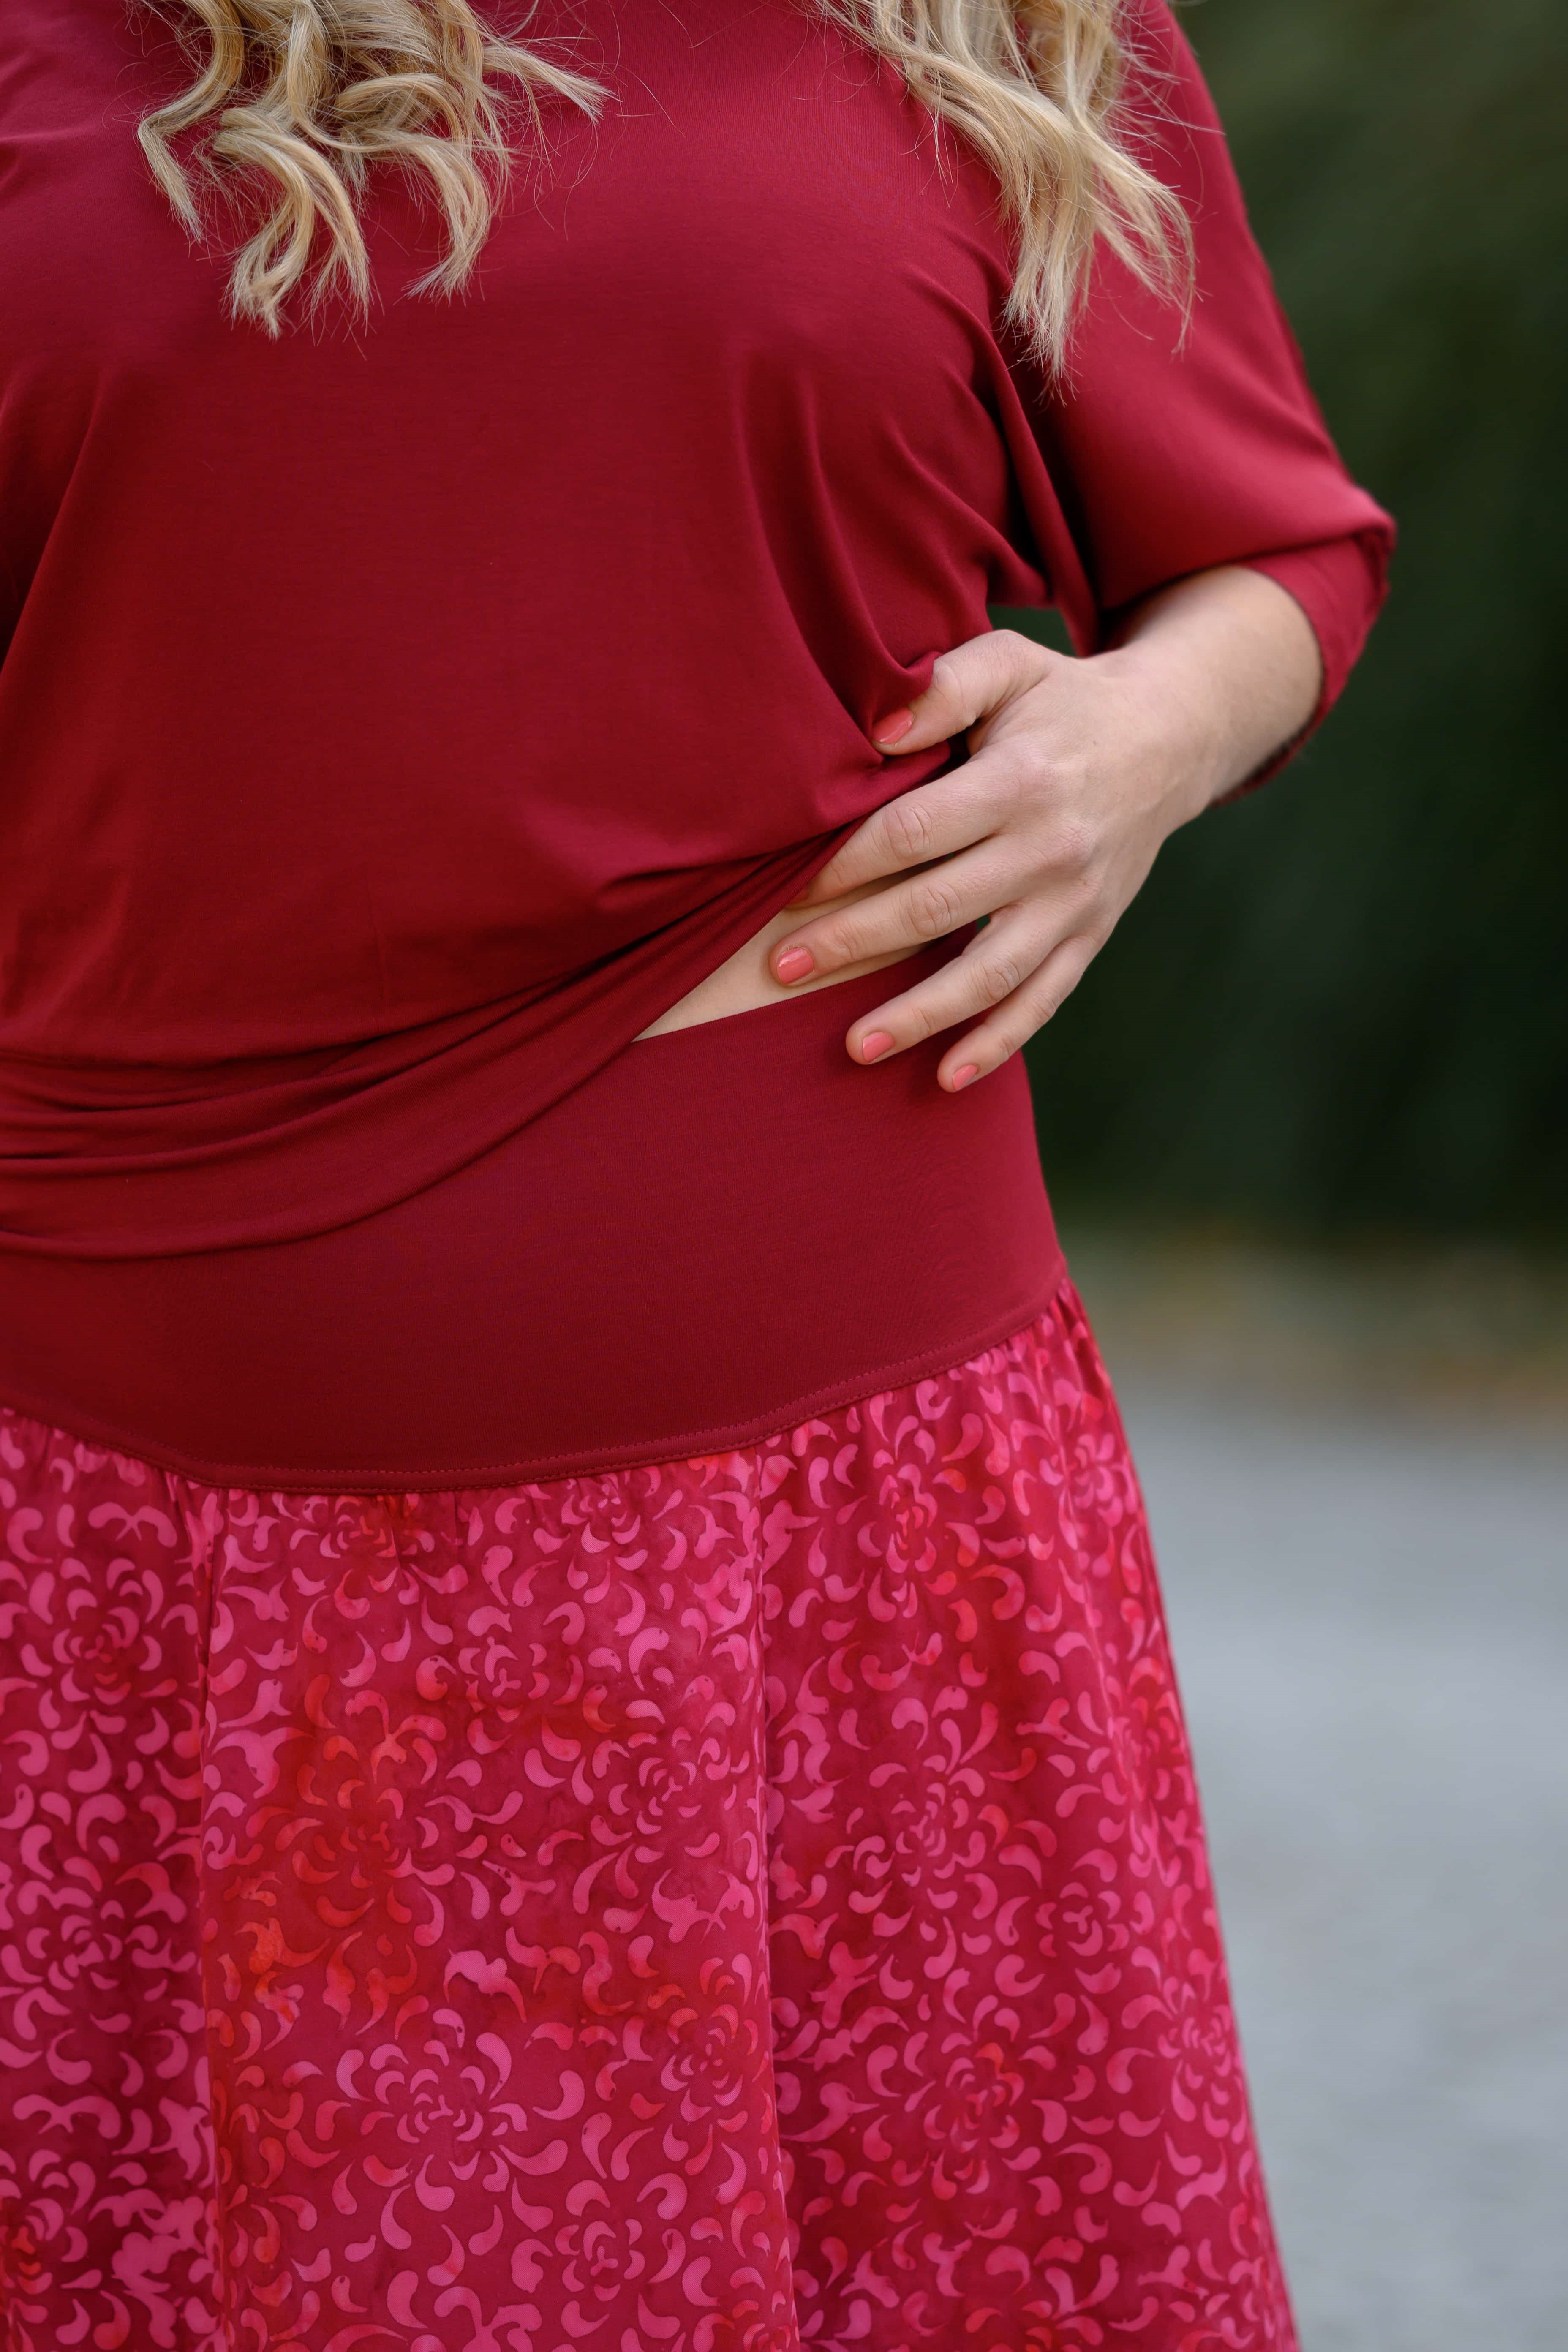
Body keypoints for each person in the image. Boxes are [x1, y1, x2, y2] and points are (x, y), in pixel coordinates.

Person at [0, 1, 1391, 2345]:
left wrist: (1133, 745)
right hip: (105, 1554)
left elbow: (1274, 548)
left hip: (840, 1550)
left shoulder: (986, 17)